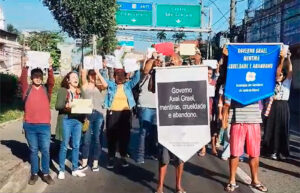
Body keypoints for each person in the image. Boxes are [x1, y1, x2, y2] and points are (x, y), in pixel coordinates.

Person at [223, 47, 273, 192]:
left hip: (254, 120)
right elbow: (227, 73)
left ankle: (255, 180)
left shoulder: (261, 80)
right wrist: (226, 57)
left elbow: (274, 75)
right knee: (234, 153)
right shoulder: (234, 79)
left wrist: (281, 59)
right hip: (237, 119)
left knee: (254, 153)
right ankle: (232, 180)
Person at [20, 56, 55, 185]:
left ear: (42, 77)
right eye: (35, 76)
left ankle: (45, 173)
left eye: (40, 76)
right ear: (32, 77)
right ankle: (34, 174)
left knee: (45, 150)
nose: (38, 78)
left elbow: (51, 82)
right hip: (29, 126)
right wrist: (25, 66)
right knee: (33, 150)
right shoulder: (27, 89)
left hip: (44, 126)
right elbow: (22, 79)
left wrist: (50, 68)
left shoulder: (46, 89)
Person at [156, 54, 185, 193]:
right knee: (164, 157)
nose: (172, 63)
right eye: (171, 61)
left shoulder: (186, 78)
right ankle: (160, 186)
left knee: (180, 158)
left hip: (181, 123)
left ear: (180, 63)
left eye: (174, 61)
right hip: (166, 123)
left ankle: (178, 186)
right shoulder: (163, 77)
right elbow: (152, 88)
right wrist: (160, 70)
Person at [103, 67, 140, 168]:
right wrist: (103, 68)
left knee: (124, 136)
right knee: (111, 136)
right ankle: (111, 157)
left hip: (125, 113)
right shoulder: (111, 85)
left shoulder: (128, 85)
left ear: (124, 76)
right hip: (112, 113)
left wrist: (136, 68)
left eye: (122, 75)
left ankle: (123, 157)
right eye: (117, 75)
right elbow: (103, 79)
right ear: (114, 77)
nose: (119, 77)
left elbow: (137, 78)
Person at [55, 71, 86, 179]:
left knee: (76, 145)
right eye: (73, 77)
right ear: (68, 80)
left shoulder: (80, 91)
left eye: (77, 76)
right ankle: (61, 170)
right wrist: (66, 106)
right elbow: (57, 106)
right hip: (67, 120)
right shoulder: (64, 91)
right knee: (64, 146)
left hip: (78, 121)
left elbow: (86, 104)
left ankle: (75, 169)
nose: (76, 78)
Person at [263, 50, 293, 160]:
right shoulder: (271, 83)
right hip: (273, 106)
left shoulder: (286, 83)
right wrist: (279, 59)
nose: (278, 76)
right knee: (272, 128)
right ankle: (271, 151)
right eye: (277, 74)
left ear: (283, 76)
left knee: (283, 129)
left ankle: (282, 152)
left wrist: (288, 58)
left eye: (280, 75)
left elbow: (290, 71)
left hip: (284, 106)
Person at [79, 69, 108, 172]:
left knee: (97, 139)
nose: (93, 76)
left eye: (94, 75)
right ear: (88, 76)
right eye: (91, 75)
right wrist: (86, 69)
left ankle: (95, 163)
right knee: (86, 140)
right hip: (87, 115)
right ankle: (84, 163)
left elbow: (105, 84)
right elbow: (83, 75)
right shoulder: (85, 86)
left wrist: (98, 73)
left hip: (98, 115)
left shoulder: (100, 87)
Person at [136, 58, 161, 164]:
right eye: (154, 64)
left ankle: (152, 152)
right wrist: (153, 59)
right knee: (144, 132)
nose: (157, 64)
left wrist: (160, 63)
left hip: (157, 107)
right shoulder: (144, 76)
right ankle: (140, 155)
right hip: (145, 107)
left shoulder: (160, 76)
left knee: (154, 133)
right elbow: (146, 69)